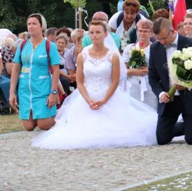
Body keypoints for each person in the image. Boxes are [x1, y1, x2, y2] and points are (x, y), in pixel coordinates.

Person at [32, 20, 157, 149]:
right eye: (92, 32)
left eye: (98, 32)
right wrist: (88, 99)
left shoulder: (113, 56)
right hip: (87, 95)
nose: (95, 35)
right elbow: (79, 81)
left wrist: (104, 100)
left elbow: (115, 81)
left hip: (108, 95)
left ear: (105, 35)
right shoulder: (83, 55)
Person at [148, 18, 192, 145]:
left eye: (163, 38)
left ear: (172, 31)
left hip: (189, 97)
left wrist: (187, 84)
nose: (162, 42)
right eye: (158, 39)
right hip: (169, 100)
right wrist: (160, 93)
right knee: (162, 139)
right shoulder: (154, 48)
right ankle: (191, 125)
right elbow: (152, 77)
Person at [9, 14, 61, 131]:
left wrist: (53, 92)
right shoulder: (22, 45)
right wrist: (12, 92)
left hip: (43, 89)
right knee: (29, 127)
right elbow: (16, 68)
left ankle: (60, 119)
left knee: (44, 125)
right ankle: (39, 116)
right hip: (25, 90)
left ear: (42, 26)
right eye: (29, 24)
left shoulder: (49, 46)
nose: (31, 26)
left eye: (34, 24)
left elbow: (56, 70)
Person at [121, 19, 157, 109]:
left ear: (151, 33)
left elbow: (160, 69)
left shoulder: (156, 48)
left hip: (150, 86)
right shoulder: (129, 48)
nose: (142, 33)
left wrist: (149, 70)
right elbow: (122, 70)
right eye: (140, 31)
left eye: (146, 31)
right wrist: (134, 71)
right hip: (133, 86)